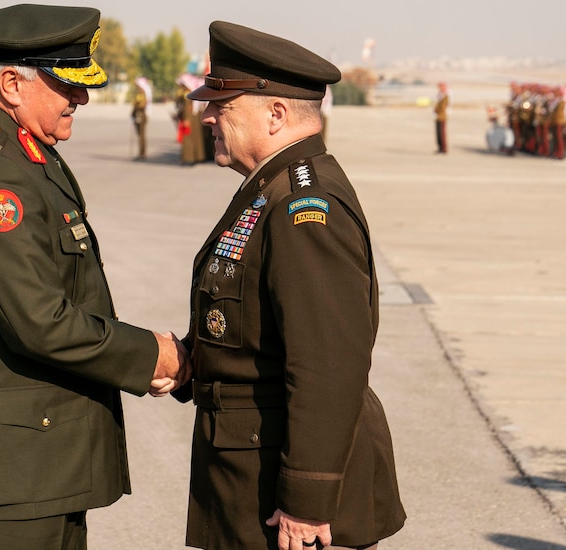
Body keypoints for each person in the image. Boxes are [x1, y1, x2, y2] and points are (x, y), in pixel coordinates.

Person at [0, 5, 190, 549]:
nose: (81, 98)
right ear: (13, 84)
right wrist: (155, 357)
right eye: (66, 84)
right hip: (12, 472)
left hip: (34, 466)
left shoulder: (25, 152)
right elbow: (40, 320)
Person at [171, 20, 406, 550]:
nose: (207, 115)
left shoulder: (305, 209)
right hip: (250, 474)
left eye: (222, 107)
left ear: (275, 115)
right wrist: (187, 361)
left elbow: (327, 363)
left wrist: (306, 500)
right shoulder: (270, 189)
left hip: (287, 510)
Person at [175, 73, 207, 166]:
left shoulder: (186, 93)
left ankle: (189, 158)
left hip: (188, 118)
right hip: (194, 117)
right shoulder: (190, 91)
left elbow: (186, 108)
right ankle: (197, 157)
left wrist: (186, 119)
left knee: (188, 138)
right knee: (196, 137)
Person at [131, 76, 151, 160]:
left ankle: (142, 153)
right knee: (140, 135)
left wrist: (136, 106)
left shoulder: (143, 94)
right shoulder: (139, 94)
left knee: (142, 135)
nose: (137, 87)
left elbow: (142, 105)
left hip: (141, 115)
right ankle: (141, 153)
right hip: (137, 114)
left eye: (138, 85)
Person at [434, 81, 449, 153]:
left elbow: (444, 106)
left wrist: (438, 109)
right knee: (438, 133)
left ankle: (443, 148)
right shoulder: (440, 95)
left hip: (442, 117)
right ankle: (440, 148)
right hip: (438, 116)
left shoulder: (445, 95)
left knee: (442, 133)